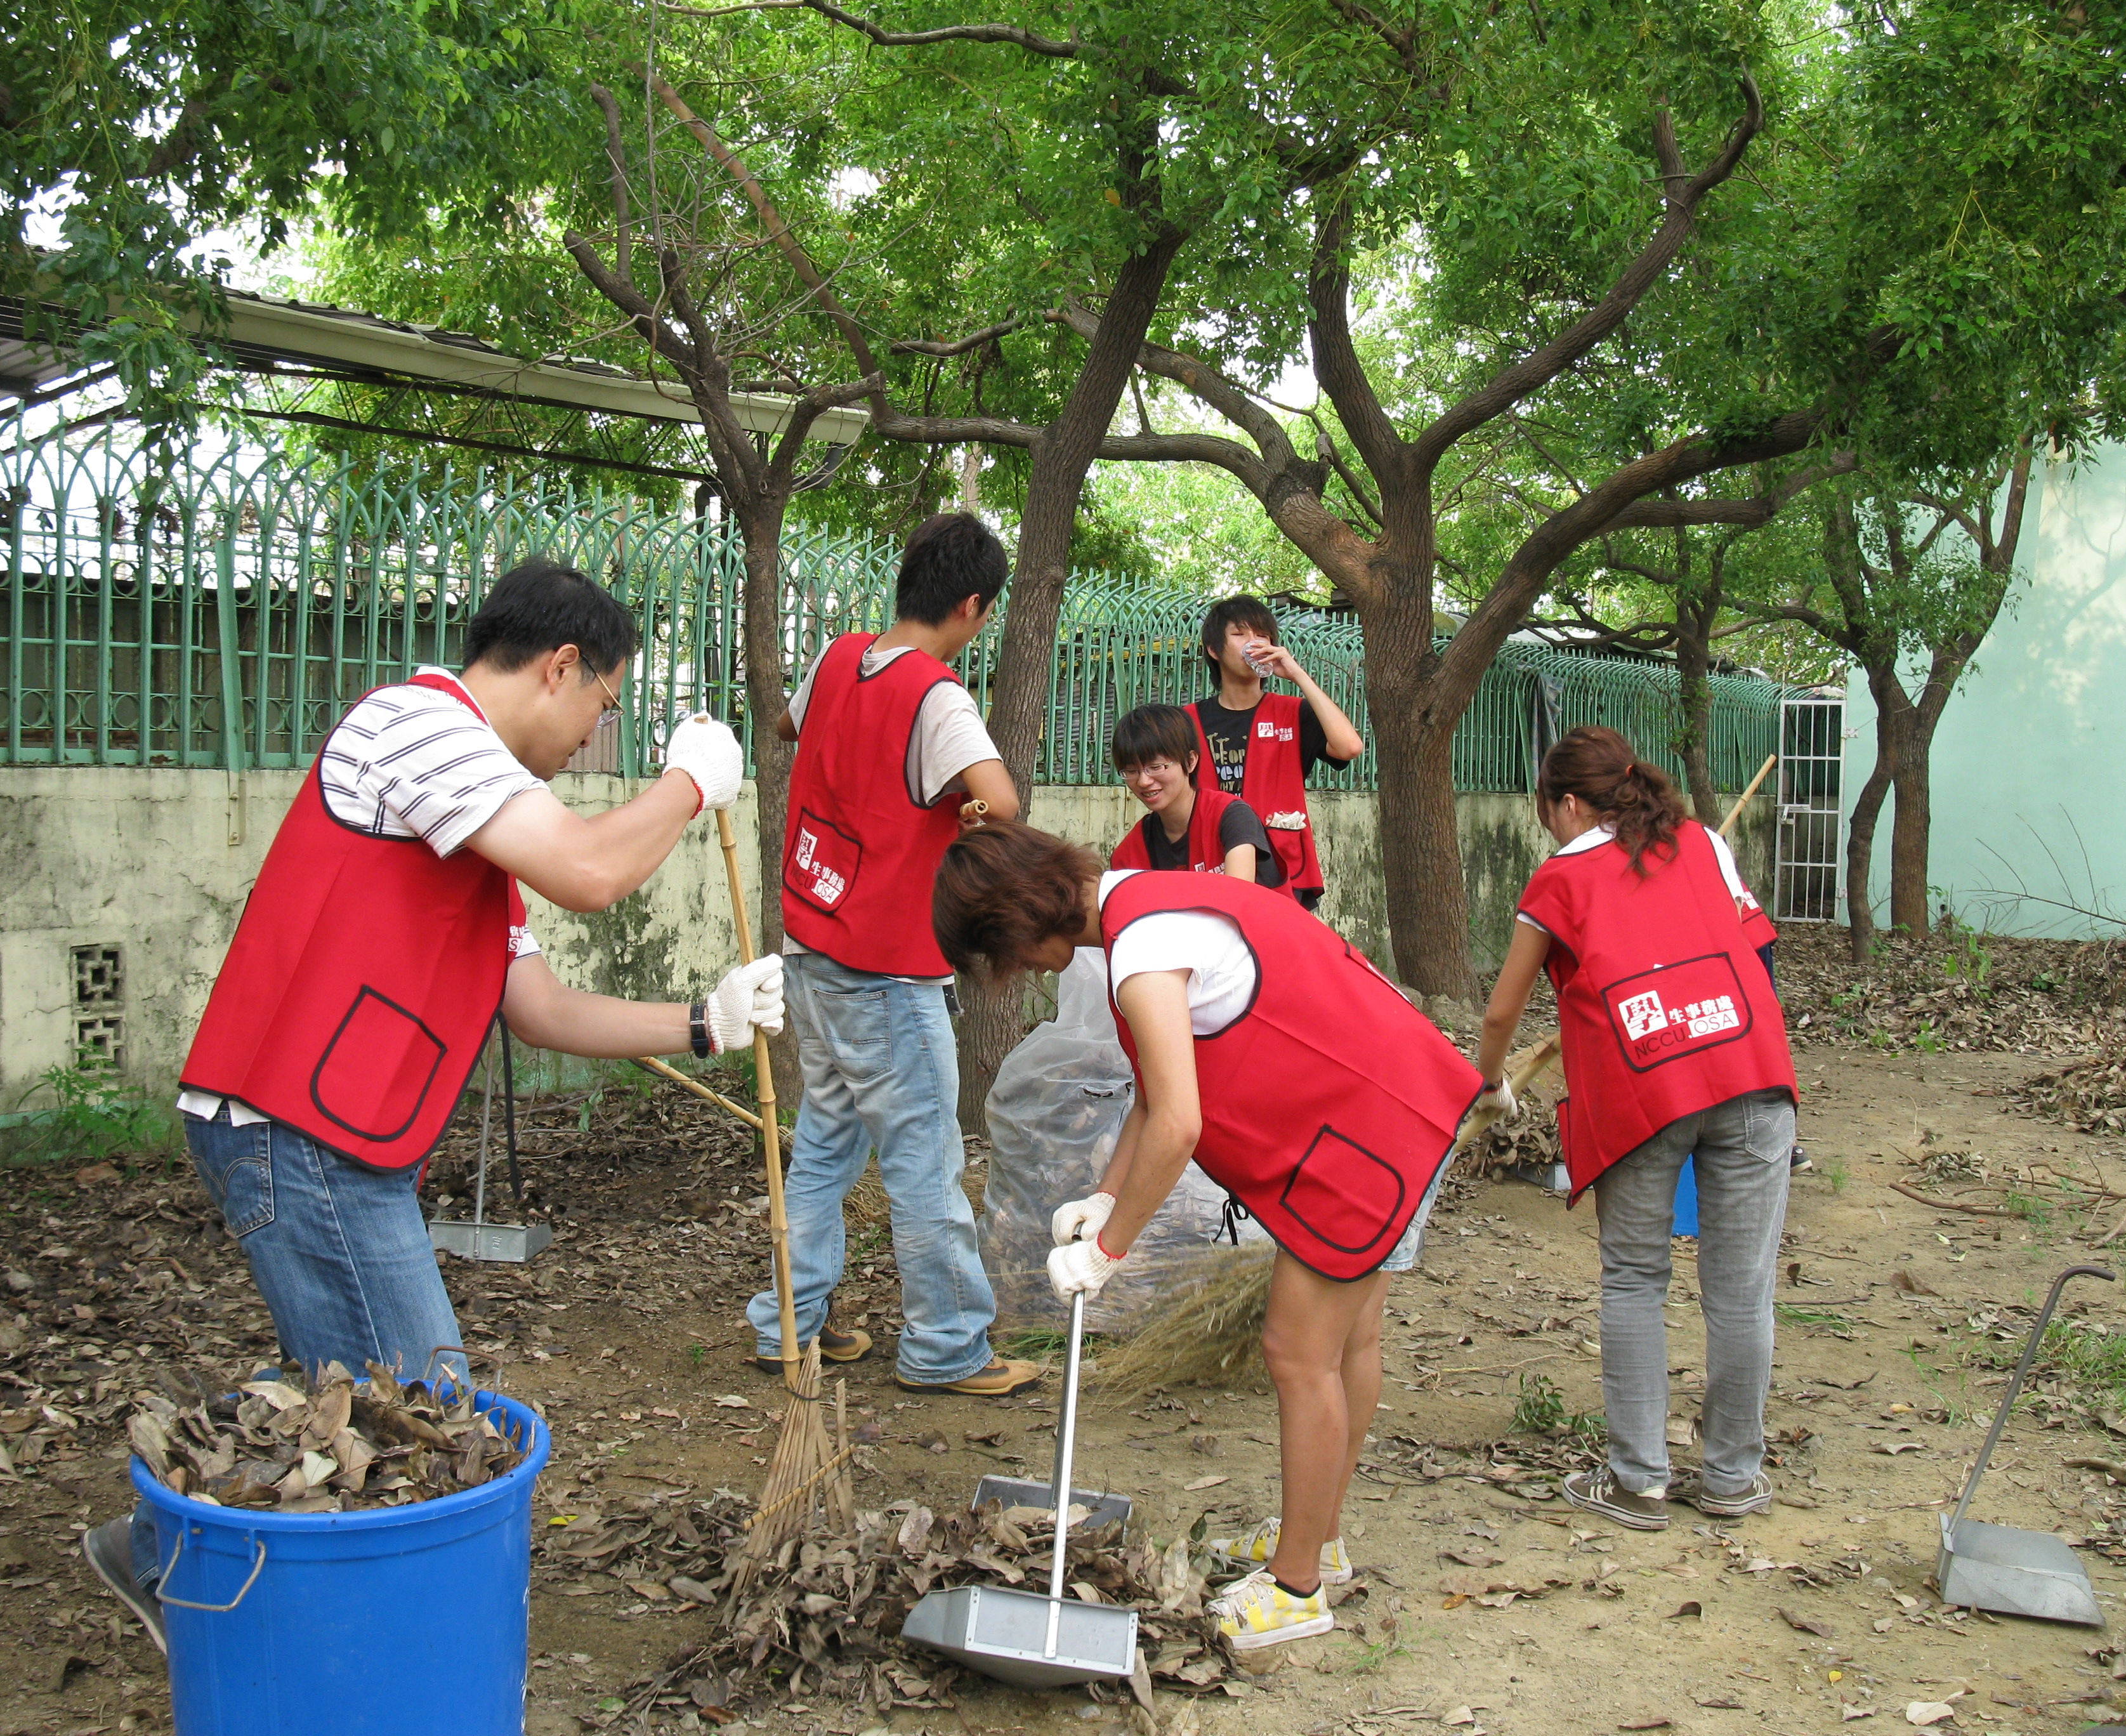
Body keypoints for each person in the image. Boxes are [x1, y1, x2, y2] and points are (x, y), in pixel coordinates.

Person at [84, 556, 784, 1651]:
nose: (594, 741)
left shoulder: (476, 811)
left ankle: (180, 1555)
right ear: (560, 667)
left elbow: (537, 1006)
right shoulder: (418, 726)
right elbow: (594, 871)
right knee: (426, 1408)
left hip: (324, 1132)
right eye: (601, 706)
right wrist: (689, 782)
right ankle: (343, 1634)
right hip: (294, 1128)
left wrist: (704, 1021)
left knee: (357, 1384)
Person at [932, 823, 1481, 1651]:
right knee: (1348, 1342)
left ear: (1019, 925)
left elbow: (1180, 1124)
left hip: (1368, 1135)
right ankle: (1318, 1545)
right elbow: (1160, 1092)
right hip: (1398, 1100)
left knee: (1299, 1356)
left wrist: (1109, 1251)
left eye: (1003, 955)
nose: (1024, 973)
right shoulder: (1146, 902)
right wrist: (1104, 1196)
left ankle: (1297, 1590)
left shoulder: (1142, 954)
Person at [1472, 725, 1797, 1532]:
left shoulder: (1558, 880)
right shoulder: (1697, 843)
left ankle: (1639, 1483)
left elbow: (1501, 1009)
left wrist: (1489, 1085)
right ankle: (1730, 1480)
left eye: (1546, 807)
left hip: (1645, 1088)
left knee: (1634, 1280)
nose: (1547, 821)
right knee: (1741, 1289)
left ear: (1570, 802)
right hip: (1752, 1074)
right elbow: (1754, 950)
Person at [754, 512, 1039, 1398]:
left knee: (827, 1148)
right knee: (923, 1162)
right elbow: (1004, 801)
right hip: (886, 966)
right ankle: (948, 1344)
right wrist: (966, 812)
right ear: (971, 607)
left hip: (810, 943)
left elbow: (792, 730)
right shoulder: (937, 695)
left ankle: (788, 1328)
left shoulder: (838, 658)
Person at [1188, 596, 1363, 909]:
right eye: (1240, 634)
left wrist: (1297, 674)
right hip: (1210, 864)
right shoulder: (1186, 721)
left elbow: (1349, 747)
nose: (1253, 644)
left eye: (1262, 635)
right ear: (1213, 650)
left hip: (1283, 869)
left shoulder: (1294, 713)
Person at [1108, 702, 1279, 887]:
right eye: (1131, 771)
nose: (1143, 781)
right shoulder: (1131, 850)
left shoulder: (1232, 817)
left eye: (1156, 767)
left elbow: (1237, 898)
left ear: (1190, 762)